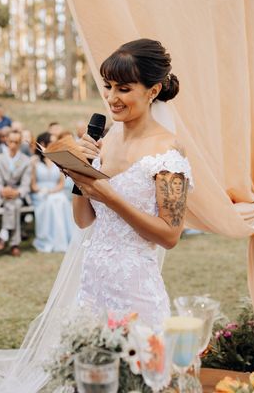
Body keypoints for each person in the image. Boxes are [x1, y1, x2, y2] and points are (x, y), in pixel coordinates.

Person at [67, 38, 192, 329]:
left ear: (154, 90)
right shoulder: (107, 139)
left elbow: (170, 236)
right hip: (93, 281)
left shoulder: (168, 151)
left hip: (134, 288)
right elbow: (83, 219)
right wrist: (80, 172)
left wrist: (110, 197)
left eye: (123, 89)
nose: (111, 98)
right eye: (108, 86)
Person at [30, 133, 77, 253]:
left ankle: (63, 239)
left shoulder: (58, 160)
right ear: (44, 144)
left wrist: (51, 191)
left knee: (60, 200)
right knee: (52, 201)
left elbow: (61, 184)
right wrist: (43, 191)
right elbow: (33, 185)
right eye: (52, 142)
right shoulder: (35, 162)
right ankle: (49, 238)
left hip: (55, 191)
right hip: (40, 193)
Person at [0, 130, 32, 257]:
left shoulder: (26, 160)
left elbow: (26, 184)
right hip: (3, 196)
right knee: (15, 205)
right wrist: (3, 191)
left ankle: (4, 235)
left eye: (16, 142)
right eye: (11, 141)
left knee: (16, 202)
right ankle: (14, 244)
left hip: (19, 195)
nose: (13, 144)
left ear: (20, 143)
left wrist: (17, 192)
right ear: (6, 141)